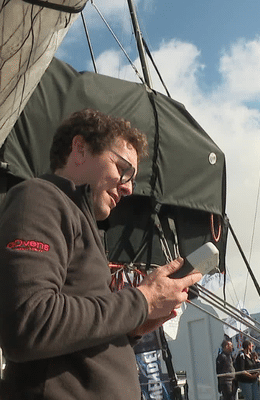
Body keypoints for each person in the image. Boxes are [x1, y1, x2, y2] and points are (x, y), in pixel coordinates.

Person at [0, 109, 203, 400]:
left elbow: (74, 345)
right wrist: (141, 300)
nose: (129, 187)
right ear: (80, 149)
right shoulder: (38, 198)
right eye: (123, 169)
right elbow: (28, 323)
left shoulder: (81, 221)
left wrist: (131, 327)